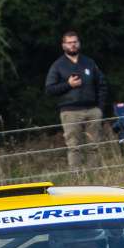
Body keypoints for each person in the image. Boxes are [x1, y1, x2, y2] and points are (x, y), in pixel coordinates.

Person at [44, 31, 110, 170]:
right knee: (74, 147)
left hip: (93, 110)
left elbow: (102, 85)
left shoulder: (89, 62)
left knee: (94, 146)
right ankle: (77, 178)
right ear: (63, 45)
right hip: (70, 112)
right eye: (69, 43)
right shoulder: (58, 65)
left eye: (75, 42)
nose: (72, 45)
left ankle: (95, 176)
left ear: (79, 43)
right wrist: (68, 84)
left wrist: (100, 108)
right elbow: (50, 89)